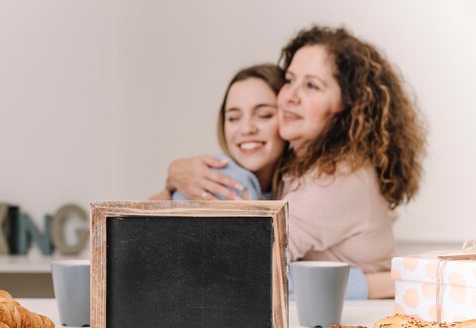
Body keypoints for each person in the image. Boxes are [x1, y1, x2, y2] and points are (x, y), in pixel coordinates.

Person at [162, 26, 427, 299]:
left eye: (312, 86)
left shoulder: (335, 177)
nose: (290, 96)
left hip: (360, 320)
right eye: (289, 80)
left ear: (347, 106)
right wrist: (173, 176)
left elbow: (248, 270)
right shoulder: (299, 164)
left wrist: (380, 284)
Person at [151, 64, 287, 201]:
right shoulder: (227, 181)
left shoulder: (292, 185)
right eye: (233, 118)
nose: (246, 129)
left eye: (264, 115)